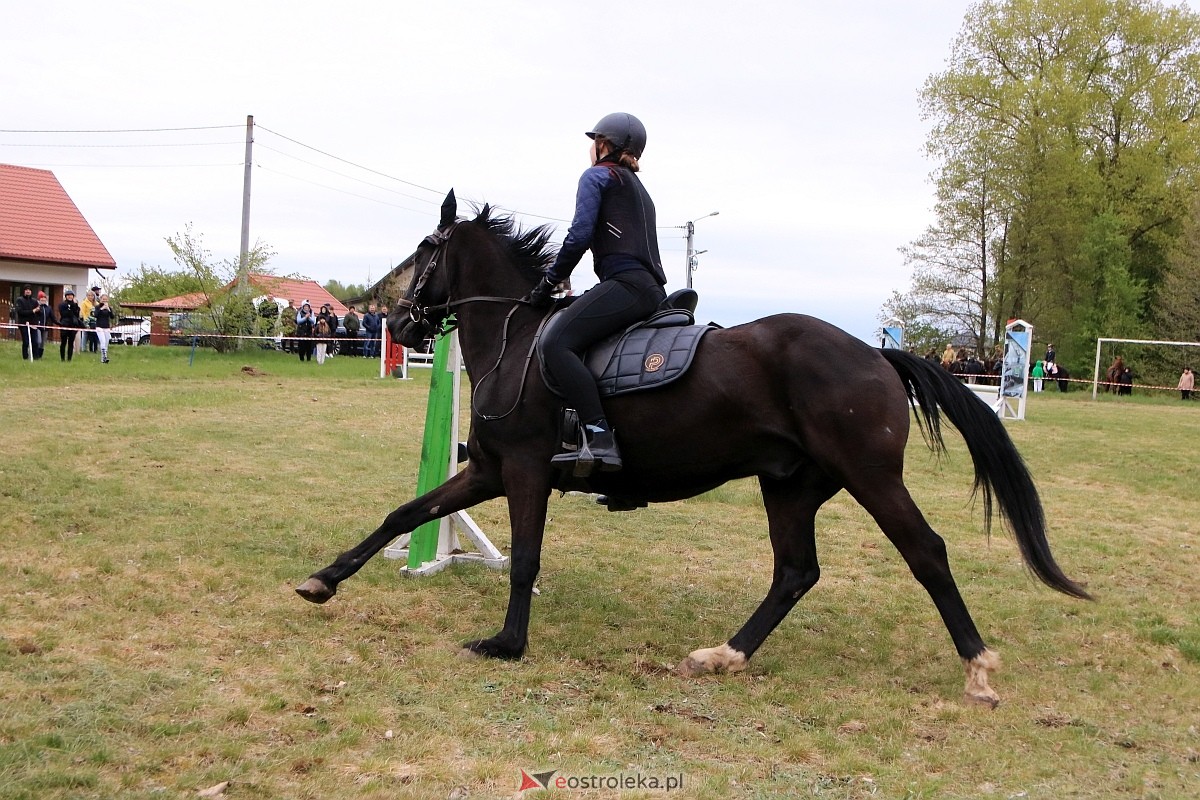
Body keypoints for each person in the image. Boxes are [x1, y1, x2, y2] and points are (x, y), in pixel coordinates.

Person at [524, 112, 666, 474]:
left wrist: (547, 284)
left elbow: (579, 236)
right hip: (650, 290)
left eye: (594, 140)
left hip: (626, 285)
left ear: (604, 145)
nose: (591, 147)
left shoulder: (597, 176)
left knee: (555, 343)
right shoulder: (639, 190)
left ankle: (600, 437)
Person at [57, 289, 83, 361]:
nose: (70, 297)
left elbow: (76, 314)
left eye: (71, 295)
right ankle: (62, 358)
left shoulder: (75, 305)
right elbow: (64, 314)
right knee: (63, 342)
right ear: (66, 296)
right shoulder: (62, 304)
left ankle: (69, 359)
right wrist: (69, 308)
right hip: (64, 324)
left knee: (71, 343)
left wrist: (74, 306)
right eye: (68, 295)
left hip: (73, 325)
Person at [93, 293, 114, 363]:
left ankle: (104, 358)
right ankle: (104, 357)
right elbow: (96, 315)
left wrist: (108, 309)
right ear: (100, 299)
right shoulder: (97, 307)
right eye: (103, 299)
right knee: (103, 341)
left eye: (106, 299)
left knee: (106, 343)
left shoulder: (109, 308)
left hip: (106, 327)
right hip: (99, 327)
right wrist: (102, 309)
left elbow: (112, 317)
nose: (104, 300)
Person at [81, 286, 100, 353]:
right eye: (89, 295)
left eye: (92, 295)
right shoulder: (84, 303)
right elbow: (83, 312)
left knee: (95, 335)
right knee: (85, 334)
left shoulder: (97, 304)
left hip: (95, 321)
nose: (90, 297)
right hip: (87, 320)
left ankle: (95, 349)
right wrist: (86, 321)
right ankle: (83, 348)